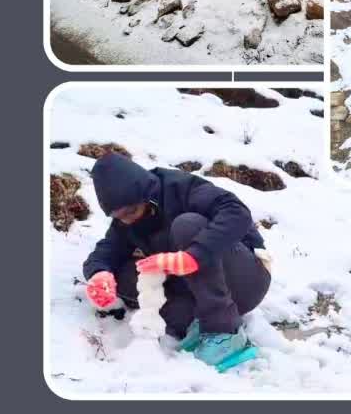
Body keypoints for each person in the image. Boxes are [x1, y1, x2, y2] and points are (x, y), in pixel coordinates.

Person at [81, 154, 271, 368]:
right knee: (124, 274)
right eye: (120, 216)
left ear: (146, 194)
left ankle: (225, 333)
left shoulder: (178, 187)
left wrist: (193, 255)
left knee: (187, 225)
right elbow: (105, 252)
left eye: (132, 211)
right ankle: (195, 325)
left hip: (245, 280)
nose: (128, 219)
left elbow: (237, 213)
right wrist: (99, 274)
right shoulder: (125, 222)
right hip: (199, 293)